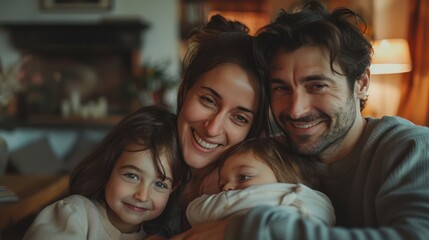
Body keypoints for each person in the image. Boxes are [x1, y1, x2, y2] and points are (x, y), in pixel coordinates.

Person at [214, 1, 429, 239]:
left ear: (362, 83)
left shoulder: (412, 149)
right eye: (282, 88)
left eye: (317, 86)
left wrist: (252, 228)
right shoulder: (268, 155)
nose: (296, 110)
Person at [151, 13, 269, 238]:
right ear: (185, 91)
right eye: (208, 100)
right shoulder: (144, 150)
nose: (212, 128)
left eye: (239, 118)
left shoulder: (252, 192)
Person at [23, 106, 188, 240]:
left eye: (160, 184)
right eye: (132, 176)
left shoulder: (159, 235)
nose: (142, 196)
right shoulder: (75, 214)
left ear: (173, 188)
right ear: (108, 166)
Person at [186, 137, 335, 227]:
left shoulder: (307, 201)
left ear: (283, 173)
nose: (227, 187)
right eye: (221, 185)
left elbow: (195, 212)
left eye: (243, 177)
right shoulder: (319, 203)